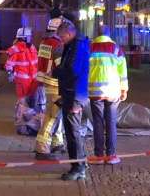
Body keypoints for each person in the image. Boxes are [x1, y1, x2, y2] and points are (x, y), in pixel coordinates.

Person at [52, 20, 90, 181]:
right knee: (71, 131)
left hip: (74, 94)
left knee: (72, 132)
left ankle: (78, 166)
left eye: (62, 37)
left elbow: (72, 69)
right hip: (73, 93)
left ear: (69, 33)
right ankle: (80, 162)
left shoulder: (76, 46)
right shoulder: (76, 44)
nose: (61, 40)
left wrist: (56, 72)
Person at [88, 24, 128, 164]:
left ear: (97, 34)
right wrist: (124, 89)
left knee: (98, 123)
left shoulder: (90, 48)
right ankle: (110, 155)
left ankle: (98, 155)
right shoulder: (116, 49)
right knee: (111, 122)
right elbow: (123, 72)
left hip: (95, 92)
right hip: (113, 92)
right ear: (109, 34)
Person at [34, 17, 66, 161]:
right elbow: (61, 67)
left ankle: (57, 143)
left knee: (55, 115)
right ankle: (42, 148)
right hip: (55, 84)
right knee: (52, 118)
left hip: (47, 84)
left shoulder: (44, 42)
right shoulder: (58, 45)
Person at [5, 27, 39, 98]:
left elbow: (36, 62)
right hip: (23, 80)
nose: (30, 38)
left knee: (33, 100)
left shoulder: (31, 47)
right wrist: (10, 74)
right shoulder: (15, 49)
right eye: (29, 36)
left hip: (33, 78)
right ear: (24, 38)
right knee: (23, 100)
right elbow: (9, 64)